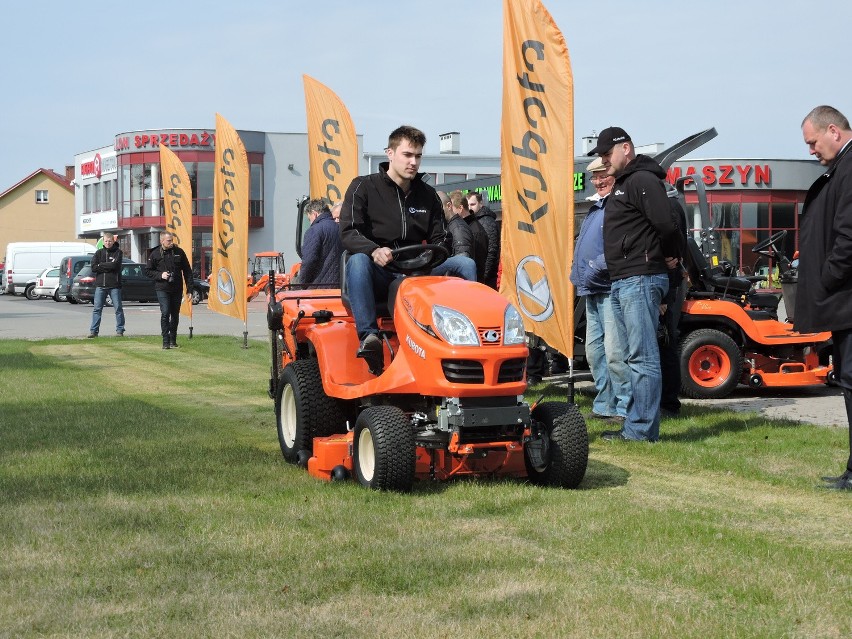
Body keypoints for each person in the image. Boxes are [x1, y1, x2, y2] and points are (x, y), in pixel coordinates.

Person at [340, 125, 477, 374]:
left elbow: (441, 238)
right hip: (382, 271)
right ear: (390, 153)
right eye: (407, 155)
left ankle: (468, 336)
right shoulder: (364, 188)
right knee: (357, 261)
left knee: (465, 264)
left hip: (419, 271)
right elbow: (349, 231)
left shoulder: (428, 196)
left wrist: (432, 255)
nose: (413, 162)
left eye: (418, 156)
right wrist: (374, 250)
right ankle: (369, 338)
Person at [588, 126, 682, 442]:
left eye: (606, 153)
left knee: (643, 357)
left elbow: (666, 226)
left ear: (625, 148)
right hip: (626, 279)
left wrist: (669, 258)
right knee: (634, 356)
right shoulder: (626, 183)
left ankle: (640, 430)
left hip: (640, 278)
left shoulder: (642, 180)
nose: (603, 160)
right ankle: (635, 424)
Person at [796, 105, 852, 491]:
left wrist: (826, 279)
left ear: (833, 130)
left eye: (813, 142)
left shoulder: (850, 168)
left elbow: (849, 236)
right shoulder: (842, 168)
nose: (812, 150)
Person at [569, 157, 630, 423]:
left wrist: (594, 268)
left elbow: (619, 246)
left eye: (602, 175)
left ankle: (625, 407)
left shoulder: (616, 205)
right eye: (594, 177)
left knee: (615, 352)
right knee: (595, 352)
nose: (597, 181)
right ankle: (605, 403)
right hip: (591, 288)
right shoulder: (598, 207)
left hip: (608, 287)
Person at [145, 231, 193, 350]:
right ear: (162, 241)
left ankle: (173, 340)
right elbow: (147, 271)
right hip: (162, 288)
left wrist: (189, 289)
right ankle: (165, 341)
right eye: (168, 241)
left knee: (175, 315)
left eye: (172, 240)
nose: (171, 242)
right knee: (165, 313)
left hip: (176, 288)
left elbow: (187, 271)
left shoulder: (179, 252)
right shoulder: (155, 254)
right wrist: (161, 275)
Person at [299, 198, 344, 287]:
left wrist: (302, 283)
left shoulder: (314, 230)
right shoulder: (343, 229)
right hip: (342, 289)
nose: (311, 223)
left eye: (309, 219)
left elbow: (309, 261)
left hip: (320, 289)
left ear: (314, 214)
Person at [88, 232, 125, 338]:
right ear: (103, 242)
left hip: (114, 286)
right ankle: (94, 331)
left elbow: (115, 266)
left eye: (110, 241)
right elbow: (94, 267)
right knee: (97, 309)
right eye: (106, 241)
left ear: (113, 241)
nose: (108, 243)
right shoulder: (98, 253)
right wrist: (107, 265)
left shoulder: (118, 252)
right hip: (100, 285)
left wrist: (101, 265)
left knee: (118, 308)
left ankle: (120, 330)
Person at [452, 190, 489, 283]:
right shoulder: (466, 227)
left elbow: (480, 262)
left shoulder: (476, 230)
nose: (451, 212)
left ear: (460, 208)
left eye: (452, 208)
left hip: (472, 282)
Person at [467, 191, 500, 289]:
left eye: (473, 204)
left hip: (487, 278)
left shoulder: (486, 222)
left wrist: (483, 277)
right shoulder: (476, 220)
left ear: (481, 204)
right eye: (468, 204)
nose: (470, 207)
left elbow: (491, 251)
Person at [438, 190, 475, 260]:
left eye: (438, 208)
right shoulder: (450, 226)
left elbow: (462, 261)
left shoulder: (459, 228)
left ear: (449, 206)